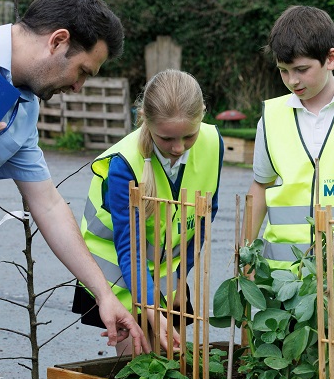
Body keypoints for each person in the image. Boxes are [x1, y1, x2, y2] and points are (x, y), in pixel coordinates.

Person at [0, 0, 147, 353]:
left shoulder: (25, 110)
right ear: (58, 41)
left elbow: (48, 205)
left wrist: (104, 295)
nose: (78, 87)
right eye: (82, 71)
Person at [73, 69, 223, 354]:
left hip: (168, 275)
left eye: (188, 136)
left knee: (171, 364)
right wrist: (151, 308)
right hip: (120, 277)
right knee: (138, 368)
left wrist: (181, 276)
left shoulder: (213, 143)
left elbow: (205, 216)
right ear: (144, 118)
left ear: (202, 113)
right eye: (166, 139)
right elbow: (130, 249)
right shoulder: (123, 165)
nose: (178, 148)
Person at [245, 5, 334, 271]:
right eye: (283, 70)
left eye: (301, 69)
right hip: (284, 282)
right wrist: (243, 257)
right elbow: (260, 188)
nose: (292, 80)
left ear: (331, 58)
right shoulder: (271, 117)